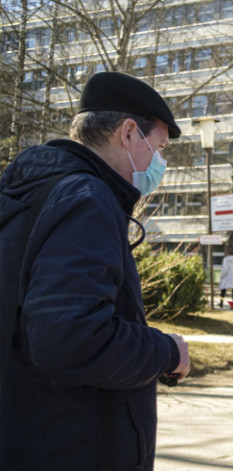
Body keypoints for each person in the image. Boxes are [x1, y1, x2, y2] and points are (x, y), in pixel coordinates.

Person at [0, 71, 191, 469]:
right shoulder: (87, 200)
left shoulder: (33, 191)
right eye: (158, 147)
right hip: (72, 445)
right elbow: (71, 340)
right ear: (127, 134)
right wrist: (167, 351)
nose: (160, 162)